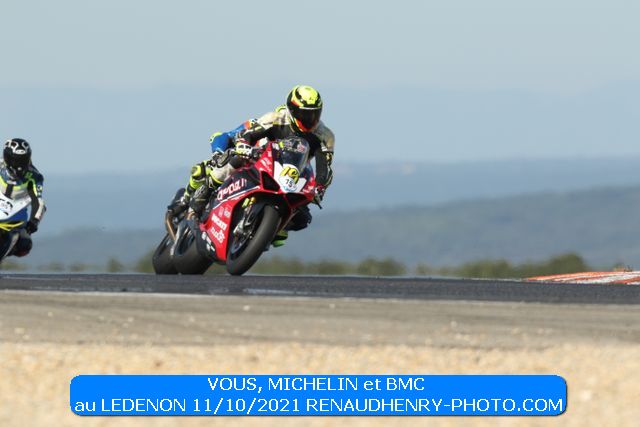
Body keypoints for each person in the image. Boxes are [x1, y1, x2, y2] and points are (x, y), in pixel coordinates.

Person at [169, 85, 335, 247]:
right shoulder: (275, 118)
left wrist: (320, 187)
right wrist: (242, 145)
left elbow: (325, 167)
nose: (310, 119)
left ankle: (273, 229)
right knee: (227, 163)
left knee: (303, 217)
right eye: (304, 114)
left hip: (291, 174)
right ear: (291, 110)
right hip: (260, 157)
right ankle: (199, 197)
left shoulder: (325, 136)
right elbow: (247, 135)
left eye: (315, 113)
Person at [0, 138, 45, 257]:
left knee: (25, 245)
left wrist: (33, 222)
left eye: (23, 160)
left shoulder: (34, 176)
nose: (19, 165)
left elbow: (38, 202)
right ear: (7, 158)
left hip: (15, 218)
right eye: (16, 160)